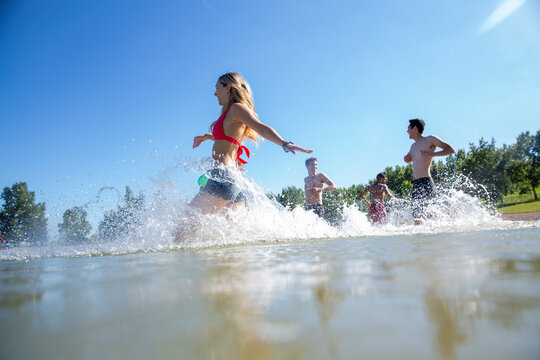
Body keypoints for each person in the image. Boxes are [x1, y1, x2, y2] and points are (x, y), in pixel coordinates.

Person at [191, 72, 313, 215]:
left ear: (228, 88)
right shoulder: (231, 113)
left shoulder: (237, 108)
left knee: (180, 231)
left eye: (217, 88)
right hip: (234, 181)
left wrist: (284, 144)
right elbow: (227, 138)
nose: (215, 93)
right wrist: (207, 136)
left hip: (223, 177)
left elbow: (261, 128)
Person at [404, 118, 455, 223]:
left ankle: (443, 226)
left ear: (415, 128)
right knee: (416, 215)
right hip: (416, 183)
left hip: (426, 181)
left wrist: (433, 154)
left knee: (428, 213)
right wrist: (406, 159)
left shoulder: (430, 139)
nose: (407, 131)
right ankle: (421, 238)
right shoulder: (413, 146)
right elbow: (410, 159)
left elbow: (450, 149)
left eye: (408, 128)